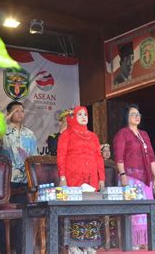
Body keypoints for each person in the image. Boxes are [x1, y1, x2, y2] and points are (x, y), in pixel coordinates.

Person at [57, 106, 105, 252]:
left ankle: (89, 243)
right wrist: (62, 177)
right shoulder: (67, 134)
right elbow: (61, 157)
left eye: (85, 114)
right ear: (73, 117)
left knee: (91, 210)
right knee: (74, 211)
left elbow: (98, 158)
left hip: (91, 179)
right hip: (72, 178)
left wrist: (101, 178)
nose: (84, 117)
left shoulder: (93, 136)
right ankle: (73, 245)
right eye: (80, 114)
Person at [113, 104, 155, 249]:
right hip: (130, 176)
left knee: (146, 211)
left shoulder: (144, 134)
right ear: (126, 117)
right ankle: (132, 241)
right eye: (133, 114)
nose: (137, 117)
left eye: (138, 114)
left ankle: (144, 240)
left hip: (146, 178)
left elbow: (151, 156)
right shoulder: (123, 133)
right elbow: (119, 156)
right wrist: (122, 175)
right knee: (133, 211)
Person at [0, 101, 38, 254]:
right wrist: (5, 119)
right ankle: (5, 250)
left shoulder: (30, 133)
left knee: (23, 216)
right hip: (7, 181)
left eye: (22, 110)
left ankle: (22, 249)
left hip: (24, 181)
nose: (20, 113)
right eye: (16, 111)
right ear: (10, 113)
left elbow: (34, 157)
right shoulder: (4, 131)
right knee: (4, 218)